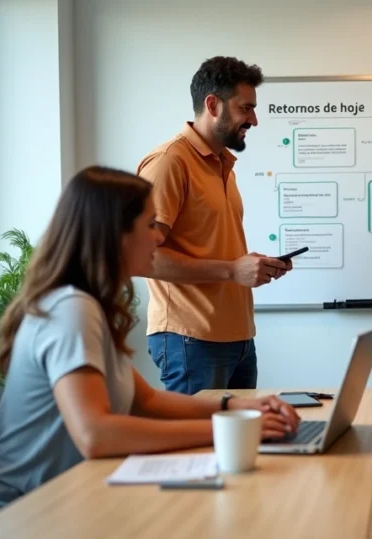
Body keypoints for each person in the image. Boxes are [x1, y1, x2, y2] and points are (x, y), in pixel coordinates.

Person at [0, 167, 300, 526]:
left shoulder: (87, 305)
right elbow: (95, 435)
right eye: (151, 224)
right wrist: (232, 430)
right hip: (23, 517)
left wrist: (238, 407)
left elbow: (148, 401)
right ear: (115, 234)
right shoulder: (70, 309)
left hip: (69, 503)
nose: (160, 237)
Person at [136, 56, 290, 394]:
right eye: (246, 108)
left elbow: (212, 249)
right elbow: (143, 258)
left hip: (239, 339)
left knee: (243, 432)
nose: (254, 120)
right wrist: (232, 270)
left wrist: (250, 267)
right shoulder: (169, 163)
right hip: (190, 340)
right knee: (199, 432)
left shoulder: (223, 166)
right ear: (212, 105)